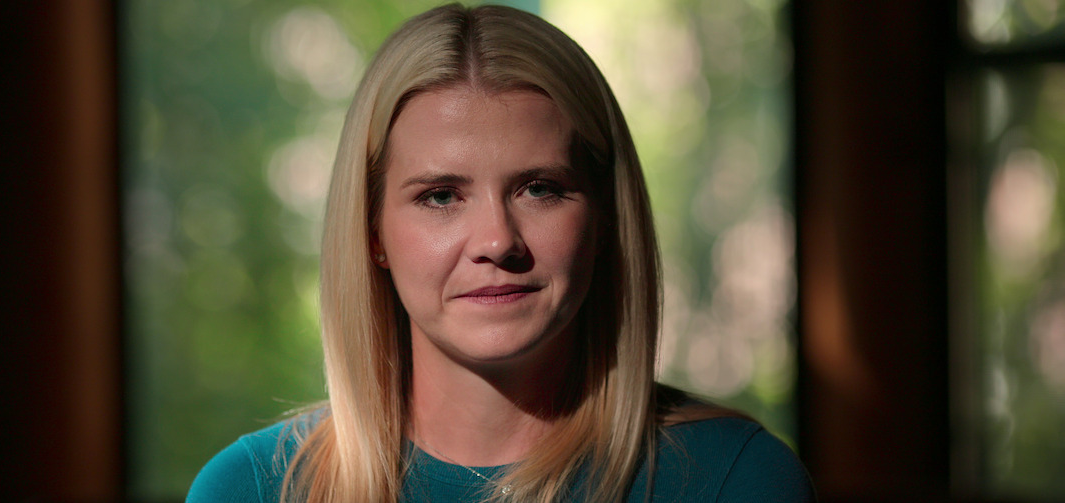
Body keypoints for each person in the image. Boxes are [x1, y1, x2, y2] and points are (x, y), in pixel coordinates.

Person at [187, 4, 815, 502]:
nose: (497, 241)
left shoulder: (739, 480)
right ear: (372, 234)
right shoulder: (251, 490)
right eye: (439, 196)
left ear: (603, 219)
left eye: (540, 189)